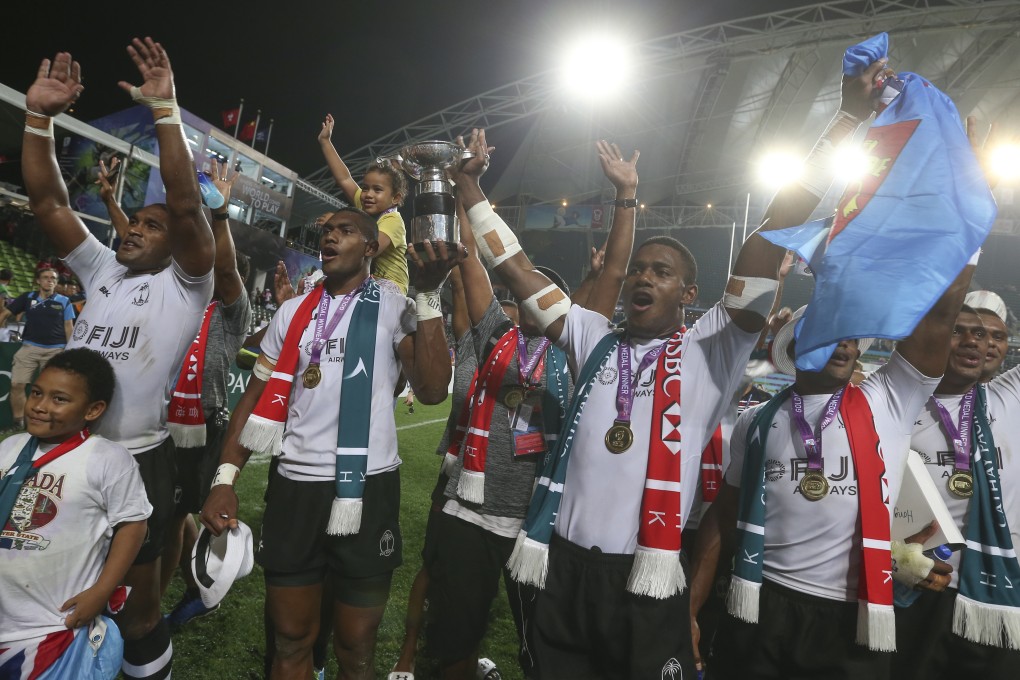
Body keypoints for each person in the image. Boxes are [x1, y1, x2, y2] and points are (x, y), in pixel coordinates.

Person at [22, 40, 215, 680]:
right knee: (53, 587)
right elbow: (49, 203)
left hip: (136, 462)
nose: (133, 228)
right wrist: (38, 118)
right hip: (64, 454)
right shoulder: (103, 268)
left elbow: (187, 207)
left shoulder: (186, 285)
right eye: (132, 221)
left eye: (151, 227)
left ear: (178, 244)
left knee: (136, 609)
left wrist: (165, 111)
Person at [200, 208, 460, 680]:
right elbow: (253, 401)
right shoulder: (292, 311)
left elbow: (432, 390)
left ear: (369, 247)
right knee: (290, 641)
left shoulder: (394, 304)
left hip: (367, 489)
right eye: (325, 232)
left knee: (356, 648)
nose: (330, 238)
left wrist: (428, 296)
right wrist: (225, 478)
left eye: (345, 231)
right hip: (294, 490)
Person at [0, 349, 150, 679]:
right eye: (37, 393)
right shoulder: (10, 448)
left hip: (52, 625)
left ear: (93, 409)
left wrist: (101, 591)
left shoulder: (107, 459)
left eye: (59, 399)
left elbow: (134, 525)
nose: (40, 405)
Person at [894, 304, 1020, 679]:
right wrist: (893, 557)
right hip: (924, 586)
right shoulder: (897, 407)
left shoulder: (1008, 399)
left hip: (1001, 595)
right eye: (958, 330)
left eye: (982, 335)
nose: (973, 341)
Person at [318, 114, 409, 294]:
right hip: (367, 279)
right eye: (365, 188)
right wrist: (325, 141)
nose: (368, 194)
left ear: (396, 198)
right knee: (319, 282)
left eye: (377, 190)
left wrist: (337, 223)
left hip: (391, 287)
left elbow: (368, 249)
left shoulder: (393, 220)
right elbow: (344, 178)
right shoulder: (366, 204)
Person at [0, 267, 75, 431]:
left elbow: (69, 328)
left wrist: (70, 351)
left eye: (53, 278)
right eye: (46, 277)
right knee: (16, 385)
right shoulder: (28, 297)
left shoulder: (64, 301)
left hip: (55, 351)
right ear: (38, 281)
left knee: (52, 391)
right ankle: (18, 423)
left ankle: (46, 424)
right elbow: (4, 314)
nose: (50, 281)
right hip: (29, 348)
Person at [964, 290, 1010, 382]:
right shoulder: (929, 388)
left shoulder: (1012, 392)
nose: (990, 342)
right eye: (978, 334)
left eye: (997, 337)